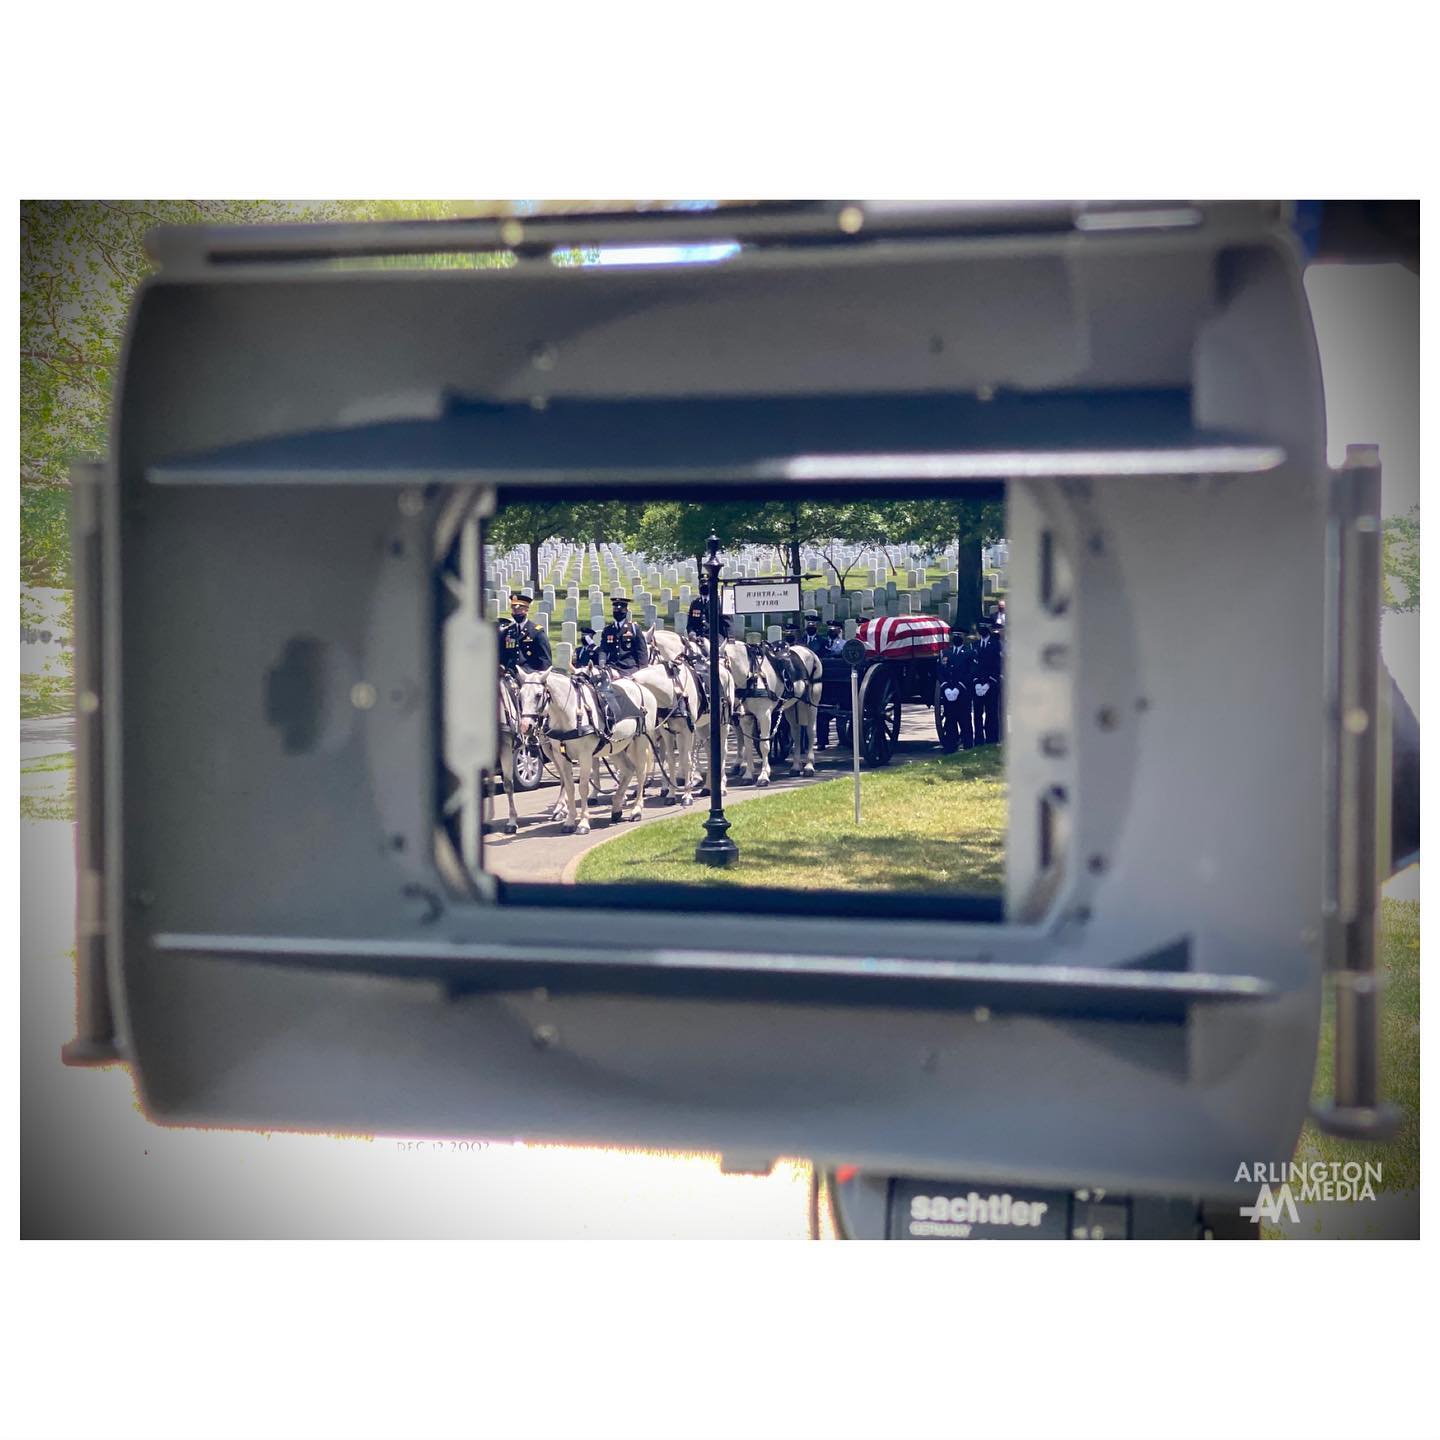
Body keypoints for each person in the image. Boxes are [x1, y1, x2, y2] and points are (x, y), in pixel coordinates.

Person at [935, 623, 978, 751]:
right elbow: (939, 671)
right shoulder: (945, 653)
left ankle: (968, 746)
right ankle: (950, 746)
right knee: (950, 719)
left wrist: (959, 687)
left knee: (965, 719)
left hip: (963, 692)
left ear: (964, 637)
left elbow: (971, 672)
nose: (957, 638)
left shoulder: (969, 653)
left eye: (959, 635)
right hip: (948, 691)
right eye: (954, 635)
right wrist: (945, 686)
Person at [498, 590, 552, 674]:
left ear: (526, 610)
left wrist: (540, 677)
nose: (515, 613)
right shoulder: (507, 631)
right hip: (511, 673)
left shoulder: (536, 631)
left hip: (530, 675)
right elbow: (502, 655)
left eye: (519, 610)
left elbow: (545, 659)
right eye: (513, 610)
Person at [599, 593, 649, 674]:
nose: (617, 611)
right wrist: (602, 661)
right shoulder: (608, 630)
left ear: (626, 610)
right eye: (615, 609)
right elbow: (603, 649)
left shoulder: (634, 628)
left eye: (621, 609)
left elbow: (641, 650)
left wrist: (643, 670)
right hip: (612, 667)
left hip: (629, 668)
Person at [974, 619, 1004, 745]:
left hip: (991, 683)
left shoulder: (996, 644)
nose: (982, 631)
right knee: (977, 713)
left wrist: (989, 682)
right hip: (977, 684)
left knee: (991, 713)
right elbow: (973, 665)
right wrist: (976, 682)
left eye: (984, 628)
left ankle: (992, 738)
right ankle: (979, 739)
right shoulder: (975, 645)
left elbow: (998, 665)